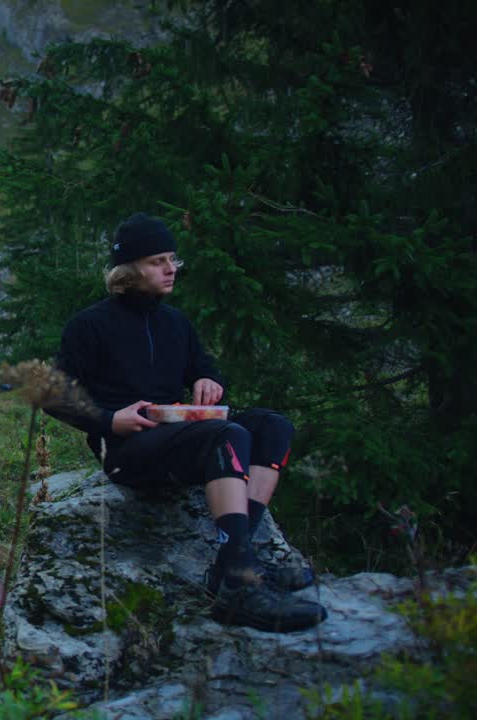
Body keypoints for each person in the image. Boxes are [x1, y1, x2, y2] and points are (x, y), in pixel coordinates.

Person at [49, 213, 326, 633]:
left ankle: (237, 559)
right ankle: (238, 586)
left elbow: (205, 368)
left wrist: (207, 380)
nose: (171, 268)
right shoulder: (89, 325)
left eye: (172, 259)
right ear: (127, 270)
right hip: (126, 451)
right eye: (157, 261)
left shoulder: (175, 322)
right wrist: (109, 420)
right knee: (227, 435)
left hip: (178, 438)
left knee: (272, 426)